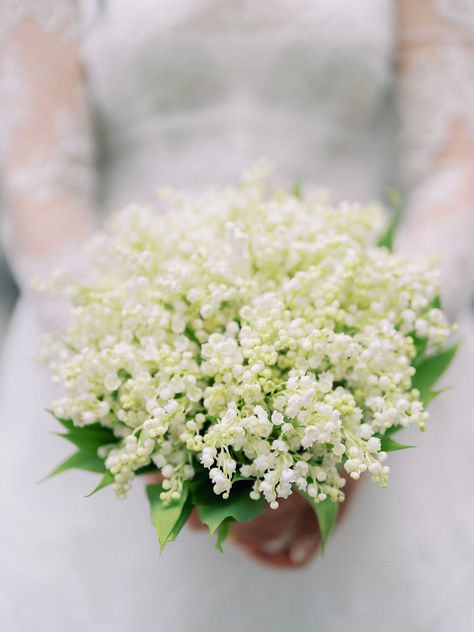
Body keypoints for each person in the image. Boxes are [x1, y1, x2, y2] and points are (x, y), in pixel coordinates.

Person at [0, 1, 473, 630]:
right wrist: (143, 402)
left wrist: (358, 393)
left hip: (365, 348)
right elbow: (40, 184)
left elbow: (456, 162)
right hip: (121, 347)